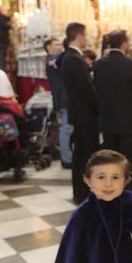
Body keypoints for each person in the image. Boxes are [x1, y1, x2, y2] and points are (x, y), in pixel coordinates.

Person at [92, 29, 132, 192]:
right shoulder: (130, 64)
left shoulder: (99, 64)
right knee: (129, 164)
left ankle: (113, 195)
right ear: (124, 43)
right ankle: (130, 197)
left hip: (108, 123)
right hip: (129, 123)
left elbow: (97, 92)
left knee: (111, 164)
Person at [59, 23, 100, 202]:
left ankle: (81, 191)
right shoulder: (74, 58)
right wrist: (98, 108)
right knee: (84, 154)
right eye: (84, 36)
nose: (86, 39)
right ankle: (82, 192)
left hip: (80, 113)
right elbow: (86, 88)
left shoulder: (70, 57)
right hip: (84, 114)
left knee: (81, 154)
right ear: (78, 36)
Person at [44, 38, 72, 169]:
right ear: (48, 47)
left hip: (64, 98)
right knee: (66, 128)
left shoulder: (57, 59)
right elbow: (53, 64)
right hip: (63, 98)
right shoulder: (51, 60)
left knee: (68, 128)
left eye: (60, 44)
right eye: (56, 44)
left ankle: (67, 156)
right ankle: (66, 158)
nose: (59, 46)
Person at [0, 4, 12, 70]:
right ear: (1, 10)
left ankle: (2, 66)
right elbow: (4, 25)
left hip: (2, 40)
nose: (6, 12)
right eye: (5, 10)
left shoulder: (0, 16)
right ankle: (1, 67)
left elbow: (6, 18)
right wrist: (12, 26)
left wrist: (11, 17)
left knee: (3, 55)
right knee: (1, 55)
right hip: (1, 40)